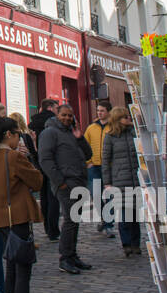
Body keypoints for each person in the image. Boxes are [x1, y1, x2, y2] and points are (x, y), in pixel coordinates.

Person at [0, 115, 46, 293]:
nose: (19, 138)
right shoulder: (12, 157)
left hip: (2, 217)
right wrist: (27, 158)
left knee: (11, 270)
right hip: (18, 216)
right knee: (23, 271)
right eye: (17, 134)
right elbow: (37, 181)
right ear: (9, 135)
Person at [38, 104, 92, 275]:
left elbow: (89, 154)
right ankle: (65, 258)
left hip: (78, 181)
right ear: (57, 114)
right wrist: (59, 182)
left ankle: (72, 255)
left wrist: (80, 138)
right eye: (64, 115)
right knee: (69, 220)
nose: (67, 118)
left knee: (74, 220)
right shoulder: (49, 133)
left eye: (70, 115)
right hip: (66, 184)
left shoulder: (71, 133)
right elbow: (45, 159)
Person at [102, 105, 141, 256]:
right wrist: (107, 182)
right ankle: (127, 244)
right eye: (125, 117)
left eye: (128, 116)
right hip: (119, 180)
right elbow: (106, 160)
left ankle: (136, 243)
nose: (128, 119)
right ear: (118, 119)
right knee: (124, 215)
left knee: (135, 215)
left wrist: (134, 126)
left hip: (135, 179)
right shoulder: (110, 137)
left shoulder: (133, 133)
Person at [29, 99, 61, 240]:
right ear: (49, 107)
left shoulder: (33, 123)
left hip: (38, 162)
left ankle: (47, 227)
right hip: (53, 161)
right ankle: (53, 230)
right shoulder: (54, 122)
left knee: (44, 196)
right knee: (53, 195)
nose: (57, 110)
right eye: (56, 107)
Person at [83, 100, 114, 238]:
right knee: (96, 196)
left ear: (108, 112)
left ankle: (108, 224)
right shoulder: (91, 128)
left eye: (102, 110)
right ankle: (104, 219)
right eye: (98, 110)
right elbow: (84, 145)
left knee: (110, 197)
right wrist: (88, 162)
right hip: (94, 166)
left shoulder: (113, 127)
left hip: (110, 167)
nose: (99, 113)